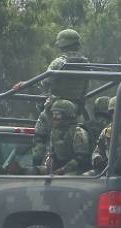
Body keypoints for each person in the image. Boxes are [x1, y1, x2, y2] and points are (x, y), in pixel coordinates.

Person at [31, 29, 89, 165]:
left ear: (62, 44)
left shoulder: (59, 62)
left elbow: (44, 81)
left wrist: (47, 97)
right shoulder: (86, 63)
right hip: (76, 108)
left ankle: (36, 163)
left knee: (40, 134)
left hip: (57, 107)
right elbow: (87, 86)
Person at [34, 99, 92, 175]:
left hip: (76, 170)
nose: (54, 117)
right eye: (53, 114)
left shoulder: (78, 132)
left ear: (67, 115)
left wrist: (63, 169)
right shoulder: (54, 132)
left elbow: (81, 158)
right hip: (58, 169)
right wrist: (49, 161)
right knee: (34, 171)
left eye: (58, 114)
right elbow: (52, 153)